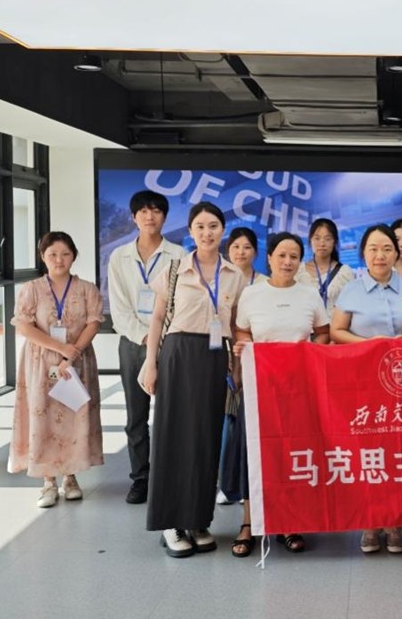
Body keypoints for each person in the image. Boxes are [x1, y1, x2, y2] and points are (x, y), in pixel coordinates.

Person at [142, 202, 246, 558]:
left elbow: (237, 327)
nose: (207, 232)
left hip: (215, 357)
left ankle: (199, 519)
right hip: (178, 353)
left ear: (222, 230)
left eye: (213, 225)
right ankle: (171, 523)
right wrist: (151, 364)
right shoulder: (174, 269)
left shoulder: (234, 275)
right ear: (190, 231)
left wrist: (236, 368)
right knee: (172, 437)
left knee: (206, 438)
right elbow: (157, 319)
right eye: (200, 226)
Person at [231, 232, 330, 557]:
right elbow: (242, 330)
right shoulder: (252, 294)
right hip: (259, 388)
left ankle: (289, 520)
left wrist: (308, 353)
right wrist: (246, 345)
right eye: (282, 256)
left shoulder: (309, 294)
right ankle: (249, 523)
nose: (288, 262)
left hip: (297, 389)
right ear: (270, 258)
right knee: (253, 452)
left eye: (294, 257)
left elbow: (323, 333)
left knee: (292, 452)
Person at [331, 224, 402, 554]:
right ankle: (370, 522)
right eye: (373, 248)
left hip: (401, 383)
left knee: (399, 449)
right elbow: (336, 331)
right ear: (363, 254)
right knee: (368, 451)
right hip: (362, 382)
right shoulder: (351, 290)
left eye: (386, 248)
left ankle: (395, 523)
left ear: (396, 252)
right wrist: (371, 345)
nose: (380, 255)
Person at [9, 232, 104, 508]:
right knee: (43, 416)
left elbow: (94, 323)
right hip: (41, 362)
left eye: (65, 254)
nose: (59, 260)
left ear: (73, 256)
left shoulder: (87, 289)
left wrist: (72, 353)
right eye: (52, 254)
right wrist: (60, 348)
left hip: (77, 360)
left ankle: (70, 478)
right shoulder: (31, 289)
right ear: (43, 257)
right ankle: (48, 481)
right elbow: (24, 326)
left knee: (74, 414)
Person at [107, 190, 184, 505]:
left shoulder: (179, 254)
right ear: (133, 217)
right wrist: (145, 337)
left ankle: (171, 477)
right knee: (135, 417)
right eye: (143, 211)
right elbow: (119, 308)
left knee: (172, 416)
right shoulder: (119, 256)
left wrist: (162, 338)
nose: (149, 216)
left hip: (170, 342)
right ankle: (140, 478)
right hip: (133, 343)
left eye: (155, 211)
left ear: (164, 217)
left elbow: (181, 304)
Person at [217, 226, 263, 506]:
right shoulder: (220, 281)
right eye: (235, 247)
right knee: (227, 421)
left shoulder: (265, 283)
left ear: (256, 252)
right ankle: (227, 482)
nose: (241, 252)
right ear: (228, 250)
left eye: (247, 247)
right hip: (225, 356)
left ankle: (251, 481)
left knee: (253, 424)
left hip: (258, 360)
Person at [296, 217, 354, 315]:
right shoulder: (298, 271)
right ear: (310, 240)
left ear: (334, 241)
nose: (322, 243)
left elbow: (350, 306)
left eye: (327, 239)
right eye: (317, 238)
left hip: (334, 324)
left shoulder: (344, 272)